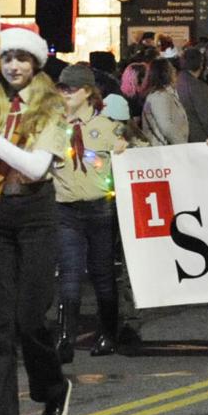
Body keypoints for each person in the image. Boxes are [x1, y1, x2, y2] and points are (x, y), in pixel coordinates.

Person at [0, 27, 73, 415]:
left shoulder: (51, 107)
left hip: (35, 213)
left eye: (23, 58)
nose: (14, 66)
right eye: (8, 57)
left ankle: (52, 386)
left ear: (36, 64)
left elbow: (33, 168)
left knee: (30, 317)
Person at [52, 63, 129, 363]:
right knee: (69, 274)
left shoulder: (107, 126)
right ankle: (64, 339)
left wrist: (127, 148)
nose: (65, 93)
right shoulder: (54, 127)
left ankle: (108, 333)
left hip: (100, 209)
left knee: (102, 273)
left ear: (87, 92)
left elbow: (141, 153)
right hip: (66, 210)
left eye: (71, 88)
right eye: (62, 88)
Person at [175, 47, 208, 143]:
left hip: (181, 138)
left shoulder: (175, 82)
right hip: (200, 140)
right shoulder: (199, 88)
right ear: (201, 64)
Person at [141, 58, 189, 146]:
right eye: (172, 69)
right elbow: (166, 126)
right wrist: (182, 144)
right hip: (165, 150)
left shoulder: (166, 94)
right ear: (165, 73)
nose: (175, 72)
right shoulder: (160, 96)